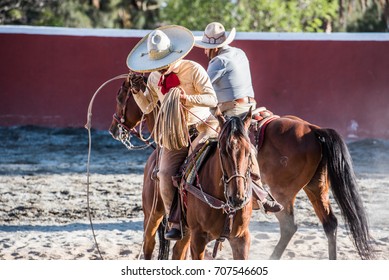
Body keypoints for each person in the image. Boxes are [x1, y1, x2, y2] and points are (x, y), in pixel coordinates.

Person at [126, 25, 218, 240]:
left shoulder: (193, 69)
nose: (161, 68)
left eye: (164, 63)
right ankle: (174, 220)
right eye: (157, 64)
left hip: (203, 126)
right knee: (165, 174)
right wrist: (138, 92)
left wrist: (187, 98)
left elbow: (212, 99)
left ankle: (257, 192)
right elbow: (148, 106)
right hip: (176, 135)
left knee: (234, 150)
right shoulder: (153, 78)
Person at [194, 22, 283, 213]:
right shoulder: (239, 53)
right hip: (250, 105)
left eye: (207, 49)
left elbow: (204, 88)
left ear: (215, 48)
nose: (205, 52)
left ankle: (259, 192)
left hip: (233, 110)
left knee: (212, 143)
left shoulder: (217, 62)